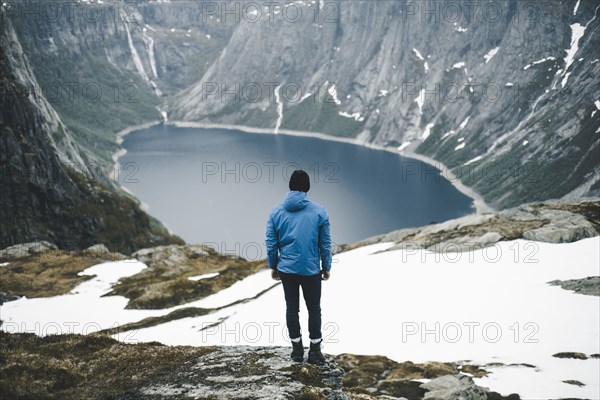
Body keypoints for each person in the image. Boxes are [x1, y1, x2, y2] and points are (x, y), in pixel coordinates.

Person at [265, 169, 332, 364]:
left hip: (286, 269)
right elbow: (325, 244)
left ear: (290, 186)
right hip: (311, 270)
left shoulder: (276, 212)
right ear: (307, 188)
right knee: (314, 309)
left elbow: (271, 243)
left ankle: (296, 351)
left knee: (292, 308)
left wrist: (273, 266)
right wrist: (326, 266)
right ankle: (315, 351)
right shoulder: (319, 212)